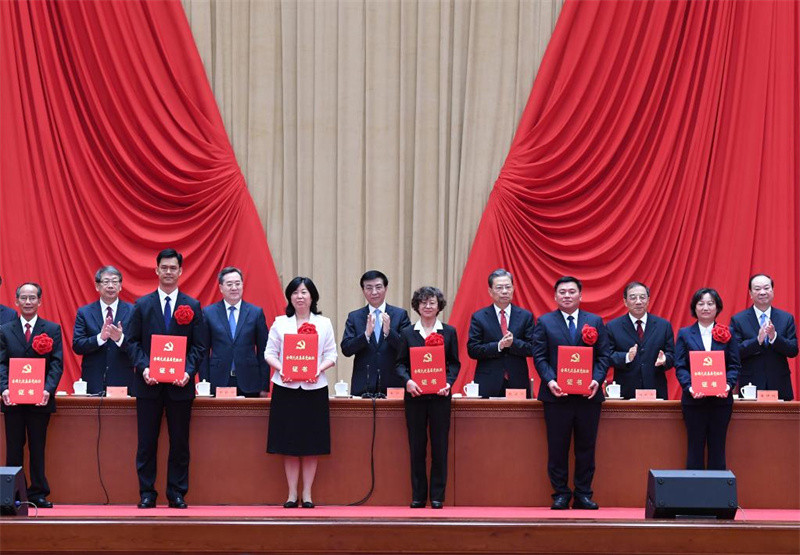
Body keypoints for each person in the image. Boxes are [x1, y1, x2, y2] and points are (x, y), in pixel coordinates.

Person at [125, 248, 205, 509]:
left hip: (180, 387)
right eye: (164, 268)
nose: (169, 272)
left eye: (173, 268)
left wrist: (187, 372)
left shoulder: (192, 306)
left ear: (181, 271)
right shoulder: (142, 305)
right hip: (148, 385)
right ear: (156, 270)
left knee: (180, 442)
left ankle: (177, 492)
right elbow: (131, 342)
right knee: (146, 442)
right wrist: (144, 368)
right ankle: (147, 492)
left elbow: (199, 346)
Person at [532, 276, 610, 510]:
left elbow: (604, 356)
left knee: (586, 447)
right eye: (562, 292)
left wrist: (596, 380)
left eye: (571, 291)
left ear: (580, 295)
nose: (567, 296)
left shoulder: (594, 321)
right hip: (556, 397)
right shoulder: (544, 322)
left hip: (588, 396)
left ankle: (583, 494)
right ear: (555, 296)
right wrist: (550, 380)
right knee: (557, 447)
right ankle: (561, 494)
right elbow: (540, 356)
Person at [265, 277, 337, 508]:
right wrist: (282, 369)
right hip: (286, 389)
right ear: (290, 297)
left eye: (304, 292)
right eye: (295, 292)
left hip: (314, 389)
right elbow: (269, 353)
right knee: (289, 444)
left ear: (312, 296)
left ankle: (307, 494)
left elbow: (332, 355)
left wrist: (318, 369)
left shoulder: (324, 323)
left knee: (311, 444)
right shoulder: (280, 323)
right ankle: (291, 494)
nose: (300, 296)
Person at [395, 286, 460, 509]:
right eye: (423, 302)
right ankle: (418, 496)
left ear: (439, 305)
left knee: (440, 447)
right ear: (417, 306)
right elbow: (400, 364)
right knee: (417, 447)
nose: (428, 306)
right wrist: (408, 381)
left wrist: (448, 383)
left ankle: (437, 496)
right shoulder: (407, 333)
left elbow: (454, 363)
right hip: (415, 396)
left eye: (432, 302)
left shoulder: (448, 332)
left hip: (441, 397)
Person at [0, 282, 63, 508]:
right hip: (13, 401)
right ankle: (15, 494)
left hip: (40, 401)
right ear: (16, 301)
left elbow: (57, 364)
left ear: (40, 301)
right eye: (24, 298)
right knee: (14, 448)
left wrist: (48, 389)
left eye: (32, 298)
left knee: (37, 447)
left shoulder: (52, 329)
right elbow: (1, 364)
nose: (28, 302)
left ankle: (38, 493)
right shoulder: (5, 330)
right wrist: (4, 389)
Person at [675, 288, 741, 470]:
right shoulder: (684, 334)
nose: (705, 308)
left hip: (721, 403)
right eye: (701, 303)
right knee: (694, 448)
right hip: (693, 402)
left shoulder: (728, 332)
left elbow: (734, 365)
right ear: (694, 307)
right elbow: (680, 366)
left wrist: (727, 385)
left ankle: (717, 489)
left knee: (718, 449)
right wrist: (690, 387)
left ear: (717, 307)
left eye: (710, 303)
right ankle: (694, 487)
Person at [201, 267, 270, 397]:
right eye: (229, 284)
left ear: (242, 285)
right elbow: (203, 352)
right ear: (221, 288)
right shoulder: (209, 313)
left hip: (250, 382)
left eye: (237, 284)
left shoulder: (255, 313)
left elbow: (263, 351)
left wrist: (264, 386)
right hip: (218, 380)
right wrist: (204, 384)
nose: (234, 288)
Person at [341, 270, 411, 396]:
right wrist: (366, 335)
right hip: (363, 385)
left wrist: (389, 333)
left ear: (386, 288)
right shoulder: (354, 317)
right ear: (363, 291)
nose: (374, 292)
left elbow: (407, 348)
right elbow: (346, 349)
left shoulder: (400, 315)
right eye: (369, 288)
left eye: (378, 287)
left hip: (393, 384)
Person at [467, 269, 535, 397]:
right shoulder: (479, 317)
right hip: (488, 382)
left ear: (513, 289)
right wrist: (499, 346)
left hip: (517, 381)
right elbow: (473, 350)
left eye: (508, 287)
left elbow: (533, 348)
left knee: (518, 411)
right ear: (490, 291)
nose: (504, 291)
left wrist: (513, 343)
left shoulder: (525, 316)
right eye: (499, 288)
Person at [730, 274, 797, 400]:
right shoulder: (738, 320)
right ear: (750, 293)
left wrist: (774, 337)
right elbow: (735, 352)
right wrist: (757, 341)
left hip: (779, 383)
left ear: (772, 291)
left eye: (766, 288)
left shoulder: (786, 318)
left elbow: (793, 350)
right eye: (757, 289)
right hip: (750, 384)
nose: (762, 292)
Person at [606, 282, 675, 399]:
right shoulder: (613, 326)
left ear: (648, 300)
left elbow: (672, 355)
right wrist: (626, 357)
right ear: (625, 301)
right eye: (633, 298)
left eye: (642, 297)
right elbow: (607, 356)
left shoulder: (663, 326)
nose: (638, 302)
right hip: (626, 392)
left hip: (656, 390)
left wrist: (665, 360)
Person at [72, 266, 134, 395]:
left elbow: (138, 347)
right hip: (93, 380)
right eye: (106, 282)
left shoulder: (132, 311)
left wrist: (120, 339)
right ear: (97, 286)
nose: (110, 286)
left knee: (122, 409)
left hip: (123, 379)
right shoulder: (84, 312)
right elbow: (77, 345)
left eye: (115, 282)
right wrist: (100, 338)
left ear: (120, 286)